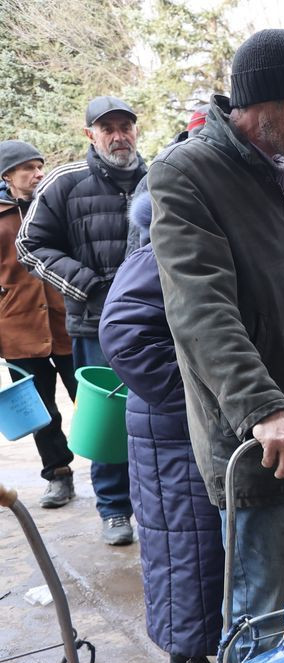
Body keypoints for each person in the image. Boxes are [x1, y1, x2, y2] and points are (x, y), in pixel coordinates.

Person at [148, 29, 284, 632]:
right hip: (260, 440)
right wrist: (265, 410)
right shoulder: (187, 174)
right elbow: (200, 309)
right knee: (265, 616)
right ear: (265, 101)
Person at [100, 188, 225, 663]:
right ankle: (186, 656)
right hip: (171, 425)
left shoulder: (202, 244)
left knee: (205, 543)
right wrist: (194, 394)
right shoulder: (159, 249)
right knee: (183, 545)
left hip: (201, 420)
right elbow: (124, 333)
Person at [16, 96, 147, 545]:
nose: (118, 135)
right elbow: (30, 245)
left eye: (125, 126)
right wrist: (90, 287)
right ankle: (114, 508)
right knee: (108, 418)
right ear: (89, 134)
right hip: (96, 325)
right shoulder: (66, 182)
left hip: (160, 327)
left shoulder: (160, 179)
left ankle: (153, 503)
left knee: (159, 416)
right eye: (106, 127)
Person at [0, 141, 76, 509]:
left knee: (90, 399)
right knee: (41, 410)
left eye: (40, 166)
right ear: (7, 176)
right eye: (28, 168)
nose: (38, 173)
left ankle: (118, 473)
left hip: (68, 323)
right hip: (17, 328)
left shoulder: (56, 205)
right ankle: (58, 474)